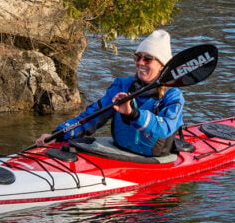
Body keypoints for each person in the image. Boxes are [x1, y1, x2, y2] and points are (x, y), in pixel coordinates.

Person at [36, 29, 184, 157]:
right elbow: (91, 116)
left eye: (148, 59)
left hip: (154, 158)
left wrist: (133, 114)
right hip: (119, 149)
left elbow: (165, 129)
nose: (140, 63)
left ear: (162, 65)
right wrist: (58, 135)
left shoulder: (173, 95)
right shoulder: (122, 86)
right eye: (138, 57)